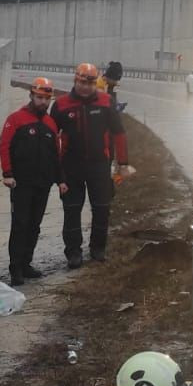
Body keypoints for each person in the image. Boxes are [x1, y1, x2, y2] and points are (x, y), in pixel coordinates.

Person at [52, 62, 133, 268]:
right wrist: (54, 168)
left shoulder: (106, 102)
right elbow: (51, 136)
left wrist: (122, 163)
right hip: (71, 166)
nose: (85, 87)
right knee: (71, 210)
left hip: (99, 165)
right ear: (75, 80)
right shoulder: (61, 105)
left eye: (89, 83)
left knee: (102, 208)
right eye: (81, 82)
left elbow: (119, 133)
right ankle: (73, 252)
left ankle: (98, 249)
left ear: (95, 82)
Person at [0, 77, 67, 286]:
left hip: (42, 184)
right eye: (39, 98)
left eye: (47, 99)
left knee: (34, 225)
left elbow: (56, 154)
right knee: (20, 224)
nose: (43, 102)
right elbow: (5, 147)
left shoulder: (50, 124)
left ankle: (26, 263)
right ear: (31, 96)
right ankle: (15, 268)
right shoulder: (16, 119)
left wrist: (60, 180)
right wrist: (8, 174)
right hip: (21, 183)